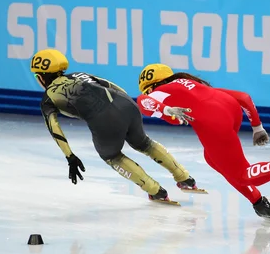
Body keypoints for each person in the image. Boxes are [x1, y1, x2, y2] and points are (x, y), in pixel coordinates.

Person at [135, 63, 270, 220]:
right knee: (212, 159)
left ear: (151, 86)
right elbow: (243, 97)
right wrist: (257, 127)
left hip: (213, 122)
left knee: (242, 175)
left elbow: (143, 102)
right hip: (229, 110)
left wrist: (165, 108)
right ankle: (258, 202)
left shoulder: (158, 93)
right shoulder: (190, 84)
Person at [31, 49, 198, 204]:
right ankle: (184, 177)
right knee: (144, 143)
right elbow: (112, 86)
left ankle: (156, 191)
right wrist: (129, 107)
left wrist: (70, 156)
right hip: (126, 104)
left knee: (111, 156)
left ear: (41, 77)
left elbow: (55, 129)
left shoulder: (48, 99)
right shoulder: (79, 74)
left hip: (103, 118)